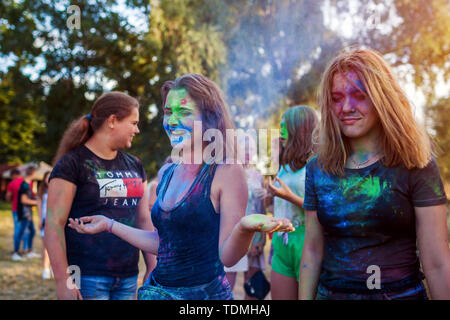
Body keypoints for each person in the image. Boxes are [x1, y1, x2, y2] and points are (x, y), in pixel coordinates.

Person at [68, 74, 294, 300]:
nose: (172, 121)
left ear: (210, 119)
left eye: (184, 112)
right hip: (157, 293)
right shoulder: (168, 172)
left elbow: (228, 257)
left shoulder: (226, 171)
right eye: (168, 112)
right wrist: (109, 224)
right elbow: (164, 244)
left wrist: (245, 227)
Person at [299, 48, 450, 300]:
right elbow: (313, 250)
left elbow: (436, 262)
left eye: (359, 95)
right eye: (336, 98)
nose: (346, 107)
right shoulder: (317, 168)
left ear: (382, 98)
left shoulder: (416, 164)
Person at [45, 91, 157, 300]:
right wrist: (63, 280)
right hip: (87, 277)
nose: (137, 129)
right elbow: (54, 223)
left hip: (128, 276)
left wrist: (152, 266)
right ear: (113, 121)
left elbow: (143, 219)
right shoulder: (72, 164)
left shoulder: (135, 165)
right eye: (133, 123)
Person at [266, 106, 318, 300]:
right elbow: (280, 197)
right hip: (281, 242)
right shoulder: (285, 164)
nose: (280, 129)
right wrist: (269, 195)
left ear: (299, 128)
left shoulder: (317, 164)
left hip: (306, 242)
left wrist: (289, 197)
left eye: (284, 125)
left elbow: (324, 209)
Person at [224, 136, 268, 300]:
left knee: (254, 290)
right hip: (233, 237)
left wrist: (261, 241)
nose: (248, 153)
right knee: (227, 289)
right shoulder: (228, 173)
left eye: (251, 149)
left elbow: (261, 209)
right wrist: (243, 243)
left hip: (256, 237)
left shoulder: (258, 176)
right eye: (245, 148)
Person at [16, 166, 40, 259]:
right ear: (33, 173)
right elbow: (24, 200)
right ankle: (16, 253)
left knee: (32, 231)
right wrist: (37, 202)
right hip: (24, 213)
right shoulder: (25, 185)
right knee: (21, 233)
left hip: (28, 213)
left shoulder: (28, 184)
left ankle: (29, 251)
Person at [6, 169, 30, 261]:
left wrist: (11, 198)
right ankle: (25, 249)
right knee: (26, 230)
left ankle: (16, 251)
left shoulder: (11, 184)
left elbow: (8, 197)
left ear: (13, 175)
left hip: (16, 209)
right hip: (26, 210)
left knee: (17, 230)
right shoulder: (26, 183)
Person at [37, 171, 52, 279]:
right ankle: (45, 269)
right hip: (45, 221)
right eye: (47, 177)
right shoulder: (42, 192)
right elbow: (39, 207)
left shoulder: (58, 190)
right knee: (46, 247)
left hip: (55, 222)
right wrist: (39, 220)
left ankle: (53, 268)